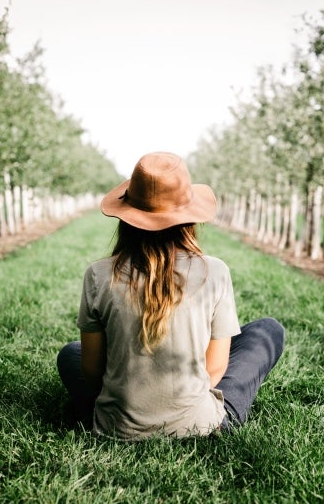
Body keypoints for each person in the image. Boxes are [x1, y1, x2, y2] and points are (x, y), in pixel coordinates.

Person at [56, 151, 284, 440]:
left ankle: (124, 407)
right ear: (188, 218)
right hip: (200, 424)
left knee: (71, 354)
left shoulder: (99, 274)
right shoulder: (214, 271)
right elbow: (215, 368)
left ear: (127, 216)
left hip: (116, 425)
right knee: (266, 330)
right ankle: (195, 411)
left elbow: (92, 372)